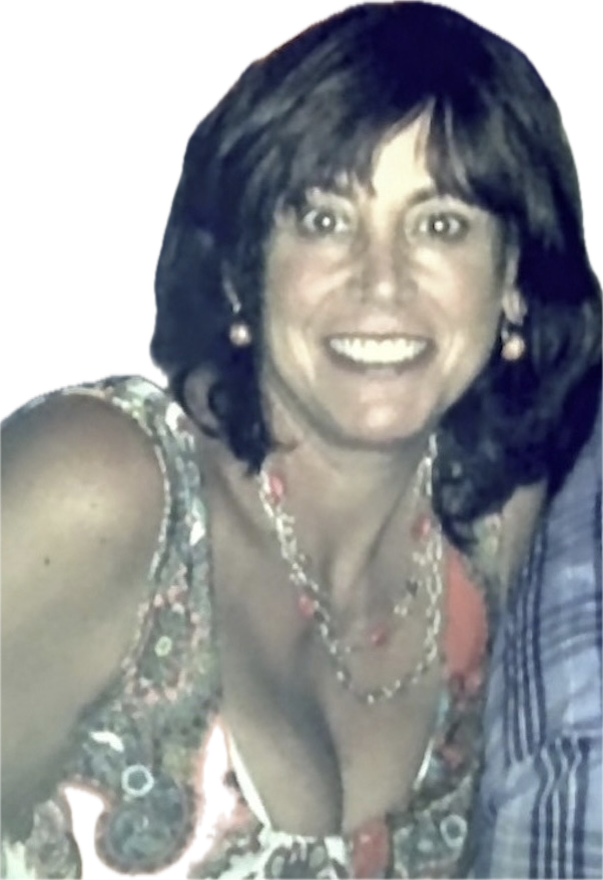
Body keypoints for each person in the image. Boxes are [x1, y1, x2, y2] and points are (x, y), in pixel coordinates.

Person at [1, 1, 601, 878]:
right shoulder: (100, 487)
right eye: (323, 219)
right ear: (240, 273)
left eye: (440, 224)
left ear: (511, 280)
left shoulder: (494, 528)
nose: (381, 282)